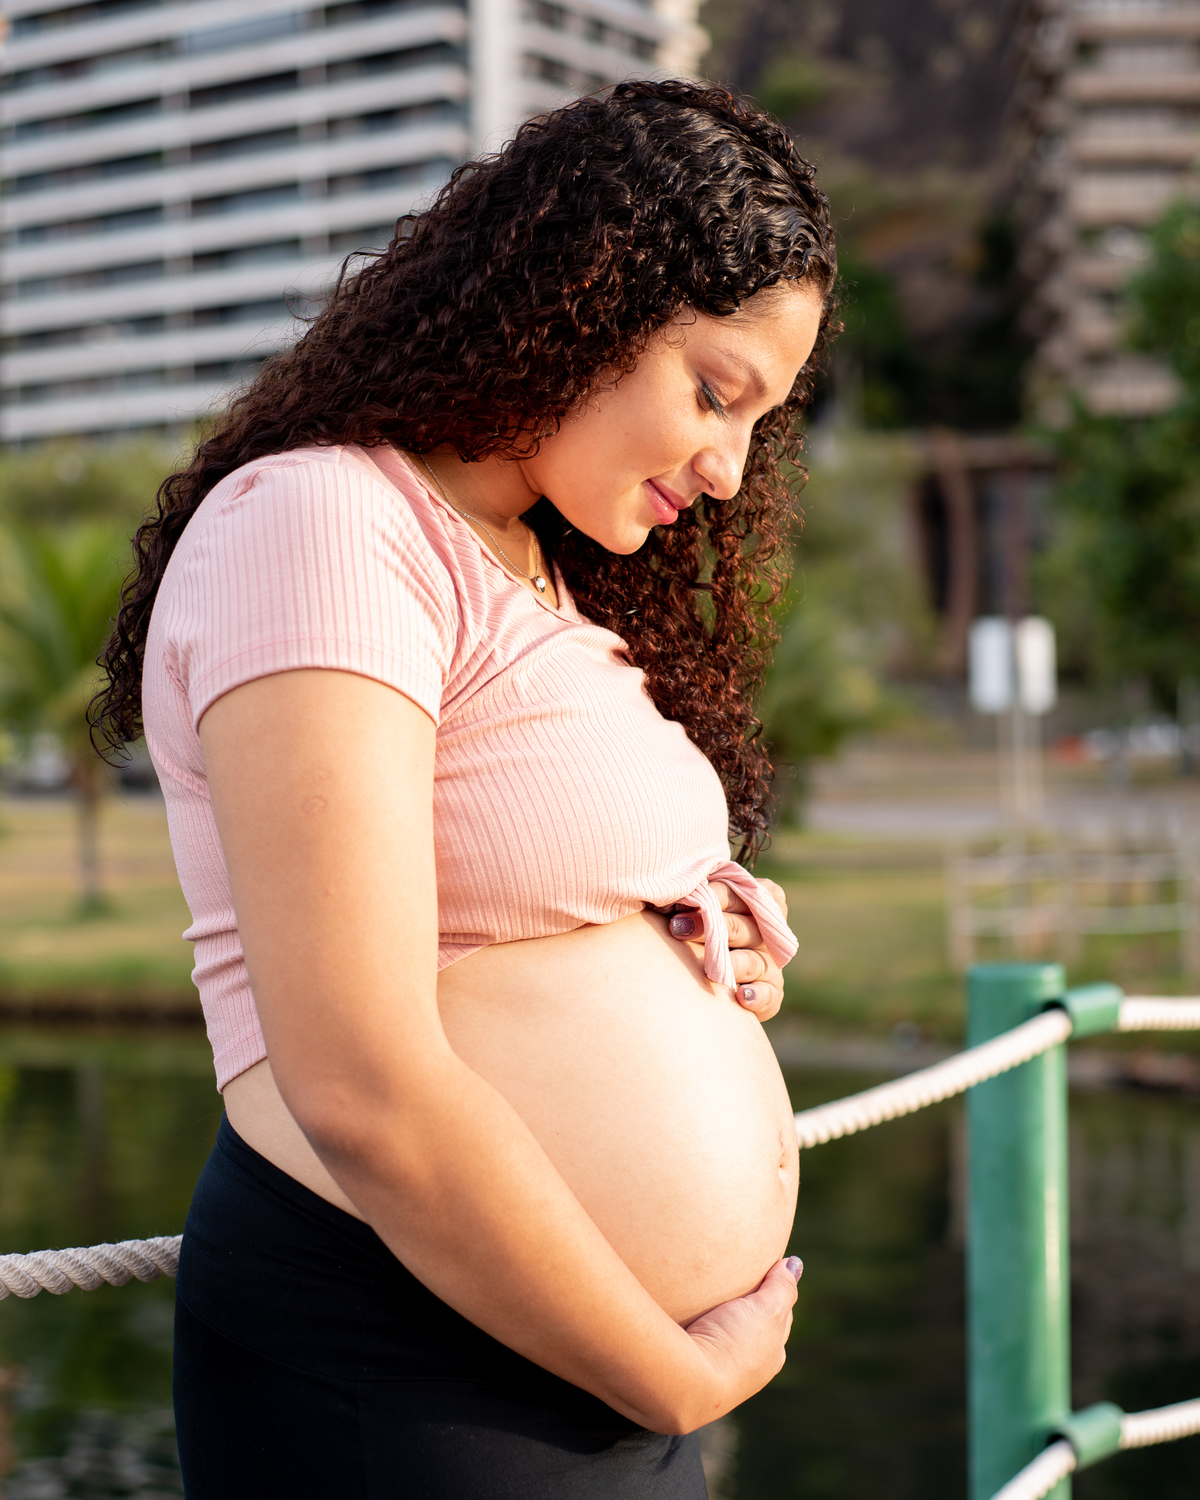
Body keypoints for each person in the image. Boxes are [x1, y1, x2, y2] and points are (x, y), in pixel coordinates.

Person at [93, 78, 836, 1499]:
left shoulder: (546, 567)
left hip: (583, 1370)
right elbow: (359, 1079)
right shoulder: (324, 526)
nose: (734, 470)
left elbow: (515, 872)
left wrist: (691, 923)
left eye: (764, 423)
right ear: (589, 299)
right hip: (410, 1364)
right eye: (715, 393)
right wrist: (670, 1377)